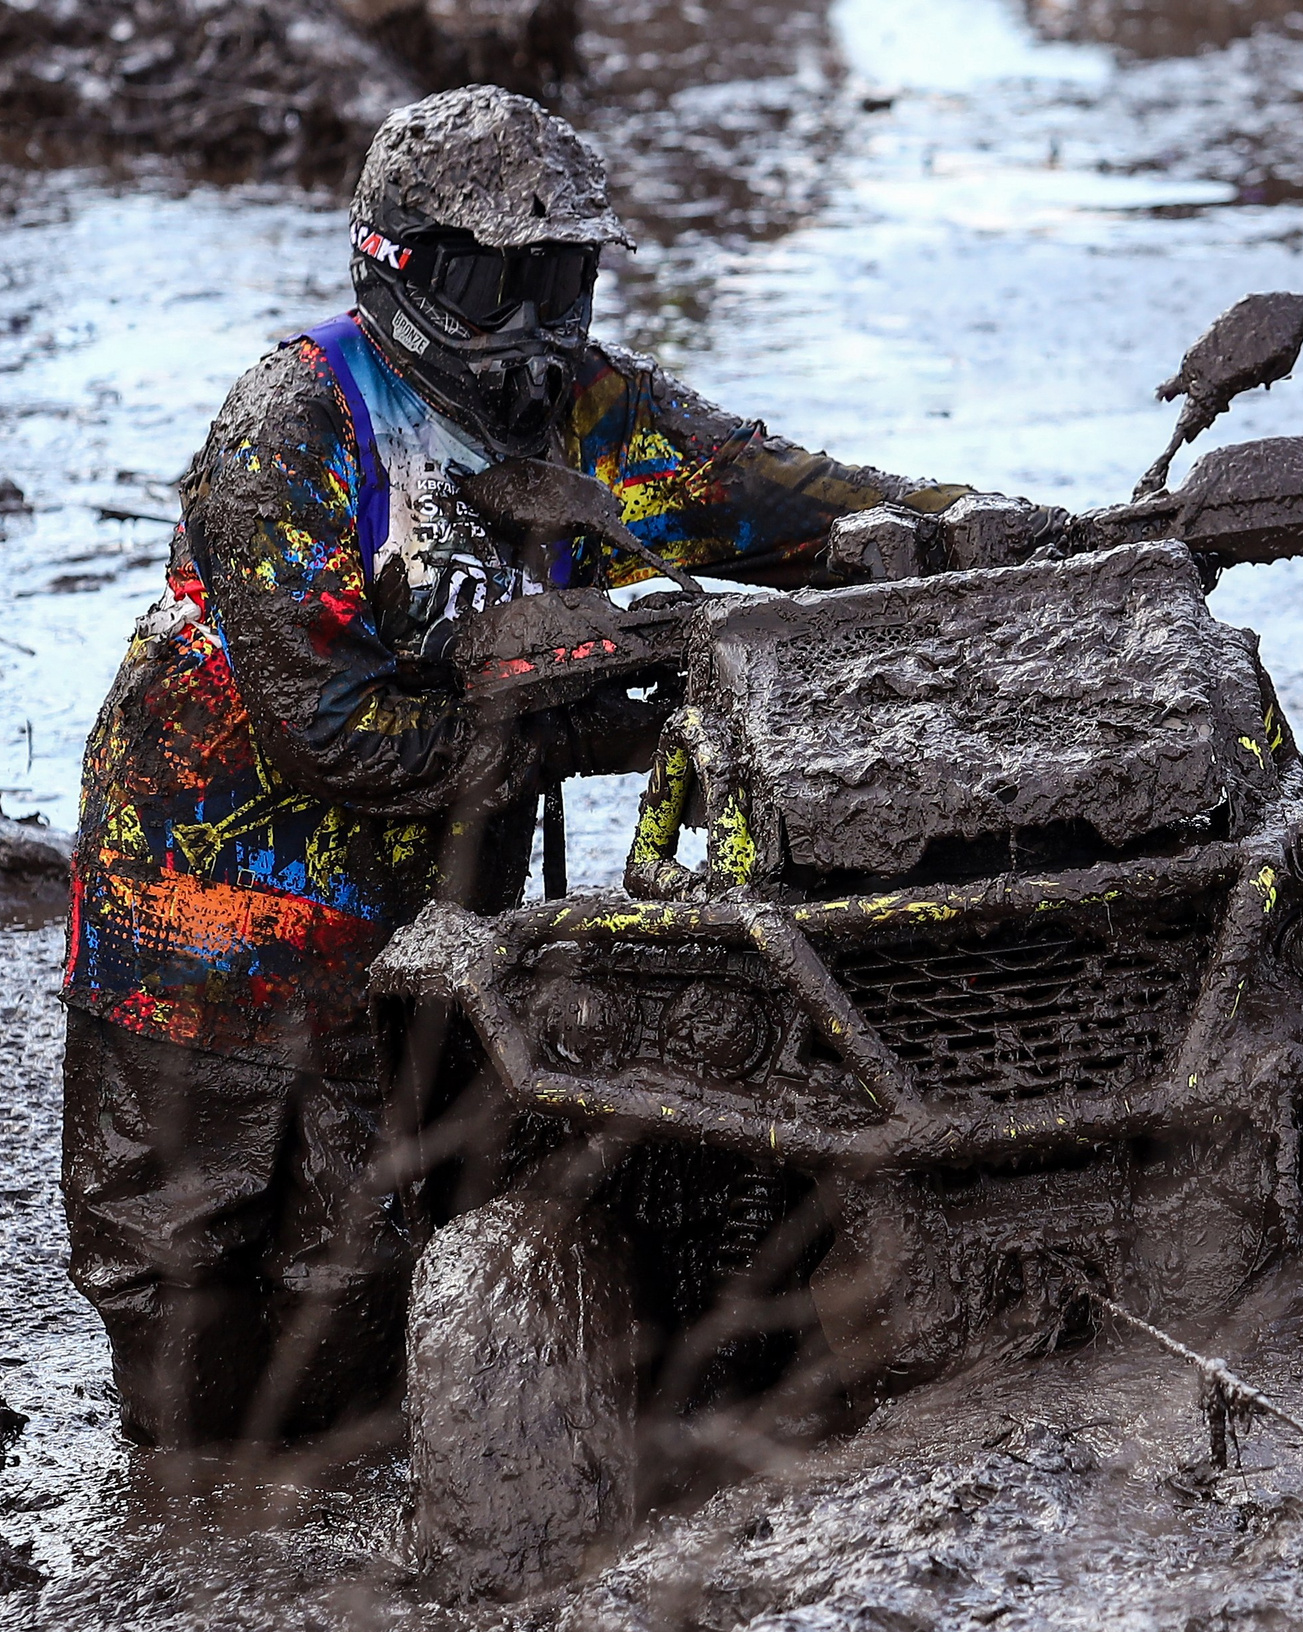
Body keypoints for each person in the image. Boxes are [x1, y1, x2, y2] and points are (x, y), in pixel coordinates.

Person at [58, 85, 972, 1450]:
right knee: (182, 1335)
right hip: (205, 910)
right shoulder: (299, 426)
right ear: (403, 265)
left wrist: (989, 529)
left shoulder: (592, 420)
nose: (537, 329)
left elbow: (784, 503)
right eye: (501, 282)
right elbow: (337, 734)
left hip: (428, 923)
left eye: (566, 281)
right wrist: (592, 725)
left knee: (361, 1314)